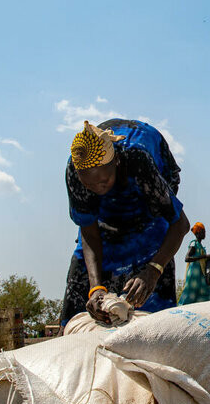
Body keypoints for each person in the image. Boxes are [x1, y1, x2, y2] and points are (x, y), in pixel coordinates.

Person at [61, 119, 190, 327]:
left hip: (148, 213)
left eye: (103, 182)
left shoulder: (138, 161)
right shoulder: (75, 170)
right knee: (77, 311)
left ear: (116, 162)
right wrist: (96, 289)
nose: (96, 188)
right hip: (105, 222)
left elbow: (180, 224)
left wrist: (153, 271)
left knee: (154, 320)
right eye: (89, 184)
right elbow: (89, 232)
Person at [178, 222, 210, 304]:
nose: (204, 234)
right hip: (194, 274)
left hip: (201, 274)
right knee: (190, 294)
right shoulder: (194, 244)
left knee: (207, 292)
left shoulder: (200, 246)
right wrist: (204, 256)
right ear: (198, 233)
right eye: (203, 232)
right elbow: (187, 258)